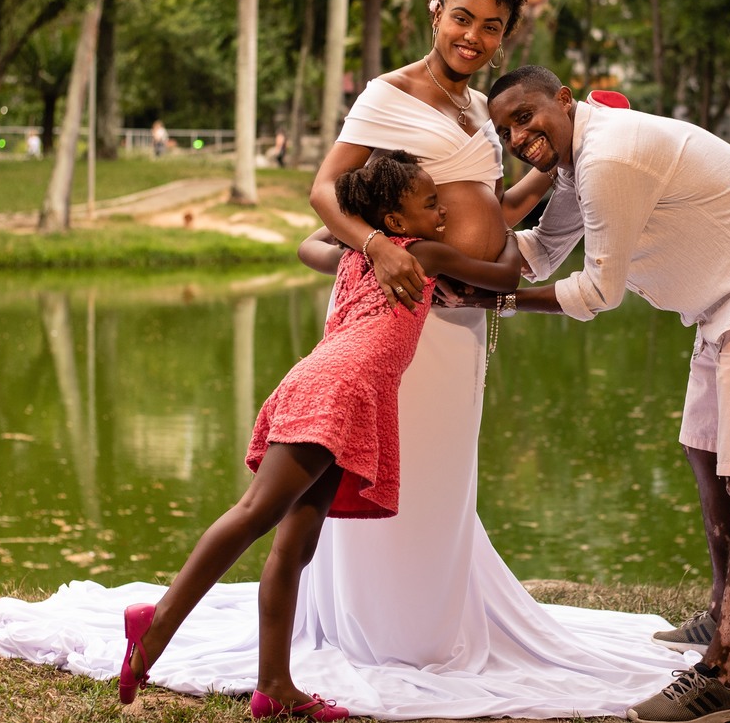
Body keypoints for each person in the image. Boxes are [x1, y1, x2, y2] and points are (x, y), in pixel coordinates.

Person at [0, 0, 690, 719]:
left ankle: (367, 645)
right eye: (462, 18)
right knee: (308, 505)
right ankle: (361, 634)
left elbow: (493, 211)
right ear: (435, 12)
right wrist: (380, 247)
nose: (473, 37)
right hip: (388, 323)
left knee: (380, 497)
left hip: (447, 327)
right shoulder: (389, 95)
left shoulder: (480, 111)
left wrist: (565, 154)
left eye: (491, 27)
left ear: (504, 36)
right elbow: (324, 191)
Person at [458, 64, 730, 723]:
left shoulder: (609, 157)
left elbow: (598, 293)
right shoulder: (578, 165)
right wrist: (453, 260)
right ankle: (729, 619)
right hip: (722, 309)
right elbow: (546, 250)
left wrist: (502, 300)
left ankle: (721, 677)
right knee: (704, 454)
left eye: (526, 117)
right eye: (507, 131)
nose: (520, 136)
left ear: (563, 98)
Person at [117, 151, 522, 719]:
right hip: (340, 387)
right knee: (256, 512)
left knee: (296, 542)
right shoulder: (424, 254)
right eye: (431, 204)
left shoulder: (352, 253)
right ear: (397, 222)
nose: (443, 213)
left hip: (340, 385)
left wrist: (362, 231)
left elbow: (313, 241)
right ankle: (154, 625)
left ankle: (273, 688)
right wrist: (503, 231)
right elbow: (506, 276)